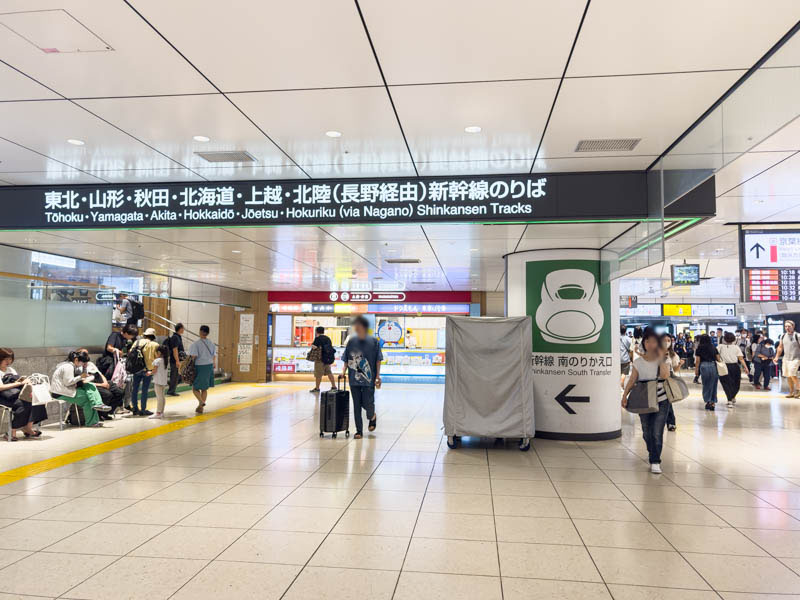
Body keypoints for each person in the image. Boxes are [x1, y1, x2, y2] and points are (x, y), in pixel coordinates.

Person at [622, 329, 670, 474]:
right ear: (644, 343)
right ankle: (652, 451)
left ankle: (655, 460)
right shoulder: (638, 362)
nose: (650, 344)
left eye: (654, 341)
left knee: (657, 431)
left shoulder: (663, 359)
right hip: (643, 399)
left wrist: (661, 359)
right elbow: (632, 380)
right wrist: (624, 396)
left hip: (661, 399)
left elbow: (665, 375)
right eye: (648, 341)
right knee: (646, 431)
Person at [342, 315, 382, 440]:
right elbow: (346, 358)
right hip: (354, 378)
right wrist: (343, 371)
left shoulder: (374, 341)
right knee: (357, 405)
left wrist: (378, 376)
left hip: (369, 379)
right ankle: (359, 430)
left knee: (368, 403)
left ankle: (372, 416)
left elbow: (378, 360)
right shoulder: (352, 341)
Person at [51, 351, 111, 427]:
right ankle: (92, 421)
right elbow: (68, 382)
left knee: (90, 385)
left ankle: (98, 404)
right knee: (87, 399)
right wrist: (80, 377)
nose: (83, 364)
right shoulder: (68, 367)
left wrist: (84, 368)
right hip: (60, 393)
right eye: (83, 363)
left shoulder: (73, 366)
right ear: (76, 360)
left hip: (68, 389)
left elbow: (82, 376)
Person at [0, 347, 38, 440]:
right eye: (6, 359)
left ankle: (27, 427)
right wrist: (18, 383)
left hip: (14, 394)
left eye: (10, 359)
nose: (8, 361)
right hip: (3, 396)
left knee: (35, 401)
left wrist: (26, 381)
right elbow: (0, 387)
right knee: (22, 404)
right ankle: (12, 430)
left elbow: (19, 380)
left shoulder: (11, 370)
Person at [76, 348, 124, 420]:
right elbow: (84, 382)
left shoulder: (90, 364)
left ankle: (106, 412)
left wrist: (105, 382)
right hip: (93, 385)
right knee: (107, 394)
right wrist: (101, 385)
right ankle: (99, 414)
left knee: (120, 392)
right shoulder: (78, 368)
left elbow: (100, 374)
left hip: (102, 382)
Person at [129, 328, 159, 416]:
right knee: (144, 390)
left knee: (135, 389)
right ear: (153, 336)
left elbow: (131, 353)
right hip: (148, 370)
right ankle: (143, 409)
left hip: (136, 369)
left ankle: (135, 408)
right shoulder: (155, 345)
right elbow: (157, 358)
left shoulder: (137, 342)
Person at [188, 325, 216, 414]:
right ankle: (201, 408)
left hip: (200, 366)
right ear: (207, 333)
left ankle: (201, 402)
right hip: (209, 366)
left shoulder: (196, 344)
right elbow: (214, 355)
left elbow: (194, 356)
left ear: (200, 331)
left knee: (195, 388)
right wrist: (213, 363)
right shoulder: (211, 343)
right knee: (204, 388)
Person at [718, 332, 749, 408]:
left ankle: (730, 398)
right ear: (734, 339)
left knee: (726, 384)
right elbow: (741, 359)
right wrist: (746, 367)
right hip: (734, 366)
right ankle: (731, 398)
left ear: (724, 339)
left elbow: (716, 356)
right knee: (736, 384)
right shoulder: (736, 347)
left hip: (724, 366)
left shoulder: (719, 347)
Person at [662, 333, 683, 431]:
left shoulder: (673, 355)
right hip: (656, 378)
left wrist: (680, 365)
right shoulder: (654, 352)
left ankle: (671, 422)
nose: (666, 342)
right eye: (664, 340)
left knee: (667, 401)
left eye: (668, 340)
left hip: (668, 379)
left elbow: (675, 370)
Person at [694, 334, 720, 411]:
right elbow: (718, 358)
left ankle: (707, 401)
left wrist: (696, 371)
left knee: (706, 384)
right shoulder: (713, 347)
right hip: (713, 366)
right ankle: (713, 402)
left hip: (703, 366)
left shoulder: (699, 348)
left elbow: (697, 361)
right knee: (713, 384)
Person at [775, 320, 800, 398]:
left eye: (789, 326)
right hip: (786, 359)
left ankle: (798, 390)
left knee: (792, 374)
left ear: (793, 326)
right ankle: (791, 392)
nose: (787, 328)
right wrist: (776, 357)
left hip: (796, 358)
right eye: (786, 326)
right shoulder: (783, 336)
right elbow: (780, 347)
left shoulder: (797, 336)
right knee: (788, 376)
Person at [309, 326, 337, 393]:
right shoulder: (328, 338)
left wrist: (312, 345)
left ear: (316, 331)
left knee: (318, 374)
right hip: (327, 359)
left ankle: (317, 388)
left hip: (320, 359)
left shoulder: (317, 338)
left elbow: (314, 347)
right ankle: (334, 386)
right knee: (329, 372)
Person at [150, 345, 169, 419]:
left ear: (159, 352)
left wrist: (149, 373)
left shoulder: (157, 361)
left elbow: (154, 370)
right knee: (162, 397)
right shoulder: (166, 360)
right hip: (163, 381)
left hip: (158, 381)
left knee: (159, 397)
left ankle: (158, 412)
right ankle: (161, 412)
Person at [167, 323, 185, 397]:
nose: (183, 330)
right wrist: (177, 361)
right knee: (175, 376)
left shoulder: (178, 337)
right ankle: (171, 391)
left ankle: (170, 384)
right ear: (180, 329)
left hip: (178, 360)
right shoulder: (175, 337)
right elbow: (175, 350)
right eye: (183, 328)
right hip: (175, 360)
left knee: (179, 377)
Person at [619, 325, 632, 390]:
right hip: (625, 359)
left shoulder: (615, 338)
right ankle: (621, 385)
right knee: (623, 373)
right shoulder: (629, 339)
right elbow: (631, 349)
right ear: (626, 331)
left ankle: (618, 386)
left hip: (616, 359)